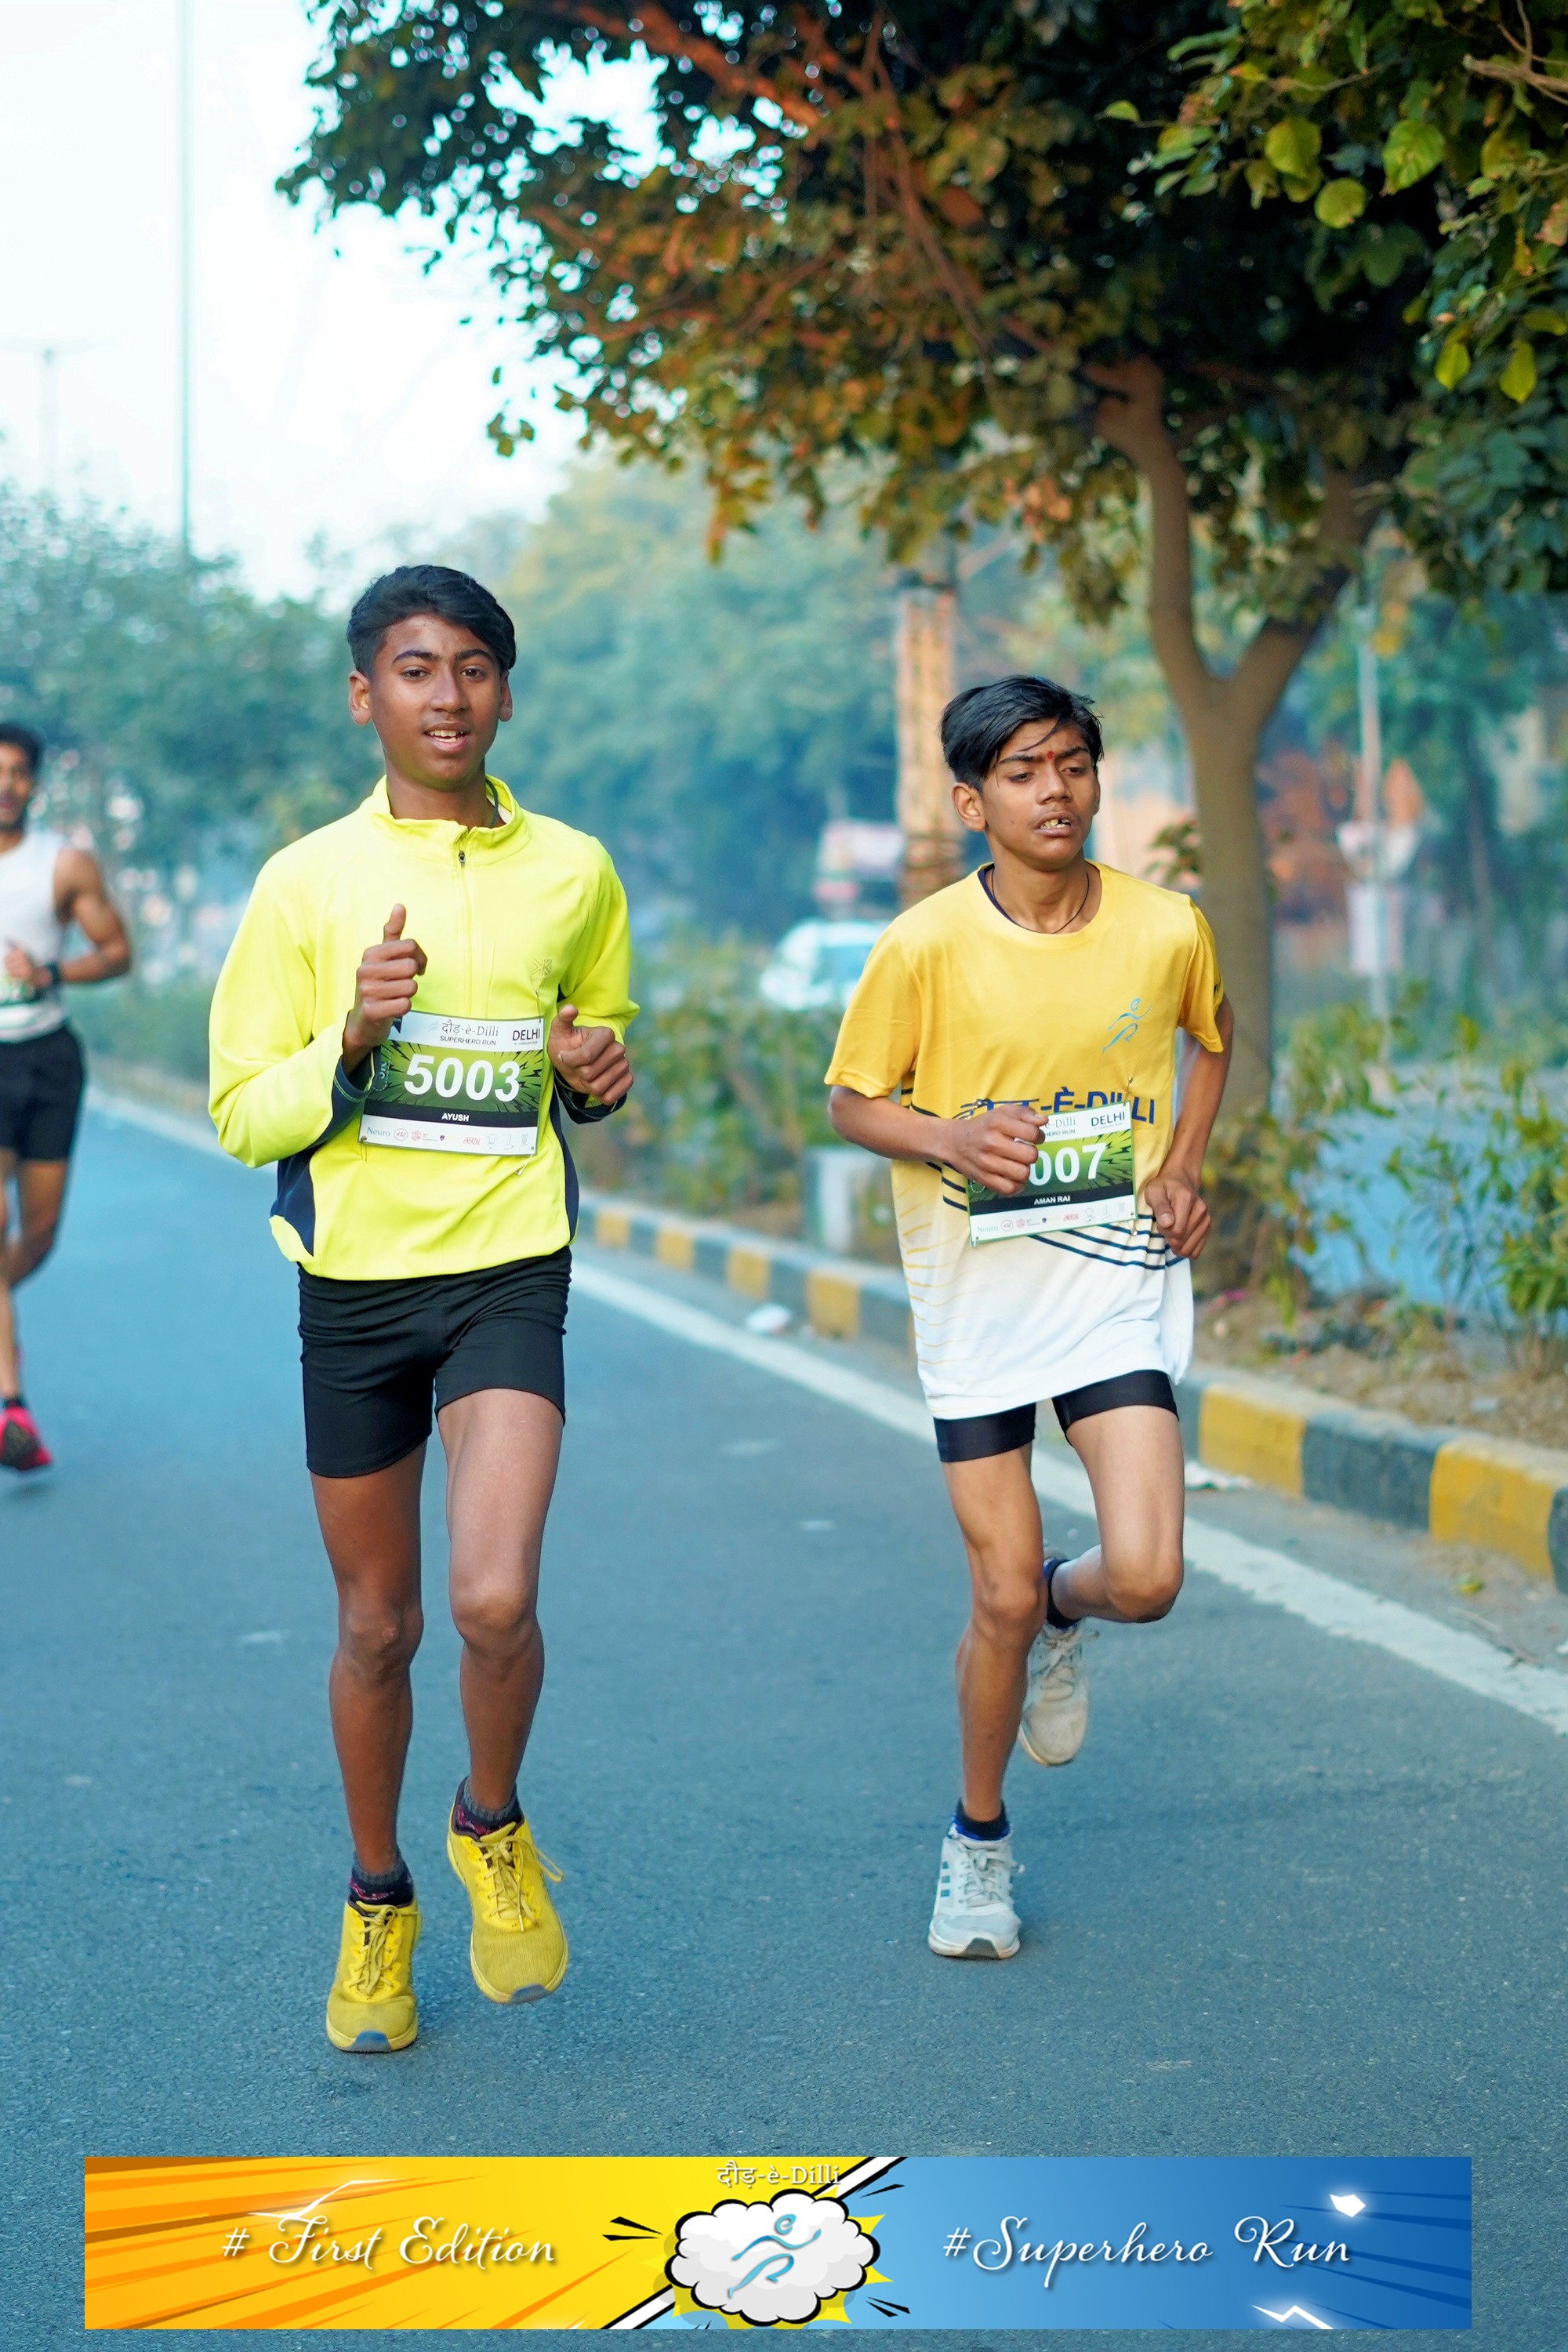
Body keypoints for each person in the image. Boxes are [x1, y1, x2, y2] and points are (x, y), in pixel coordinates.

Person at [209, 566, 636, 2053]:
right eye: (413, 668)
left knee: (493, 1599)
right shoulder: (304, 882)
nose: (445, 695)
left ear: (505, 693)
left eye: (472, 667)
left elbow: (597, 1045)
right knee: (379, 1627)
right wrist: (351, 1035)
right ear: (364, 696)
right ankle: (377, 1898)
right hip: (354, 1292)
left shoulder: (575, 870)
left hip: (509, 1265)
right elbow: (241, 1112)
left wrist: (595, 1073)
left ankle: (490, 1822)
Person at [826, 675, 1233, 1960]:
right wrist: (950, 1136)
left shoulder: (1167, 927)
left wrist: (1185, 1165)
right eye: (1021, 772)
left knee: (1148, 1577)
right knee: (992, 1598)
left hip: (1112, 1280)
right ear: (972, 803)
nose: (1054, 791)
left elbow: (1211, 1038)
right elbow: (851, 1100)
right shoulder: (925, 946)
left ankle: (1073, 1602)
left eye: (1072, 764)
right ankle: (978, 1844)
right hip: (977, 1299)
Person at [0, 723, 132, 1472]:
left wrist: (51, 973)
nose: (5, 784)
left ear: (34, 783)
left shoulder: (62, 864)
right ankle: (11, 1408)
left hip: (47, 1057)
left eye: (18, 772)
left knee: (38, 1237)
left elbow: (117, 953)